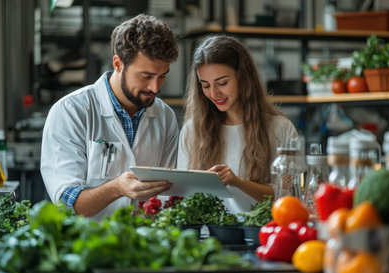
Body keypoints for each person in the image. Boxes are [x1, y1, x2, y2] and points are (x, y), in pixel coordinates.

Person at [41, 14, 179, 220]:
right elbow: (67, 204)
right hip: (88, 245)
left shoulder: (165, 116)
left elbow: (169, 194)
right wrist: (117, 188)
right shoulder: (71, 111)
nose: (155, 87)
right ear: (118, 64)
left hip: (147, 245)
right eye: (146, 76)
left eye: (162, 76)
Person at [177, 35, 299, 214]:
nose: (214, 93)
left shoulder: (280, 128)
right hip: (207, 236)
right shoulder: (192, 130)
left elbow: (288, 197)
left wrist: (237, 182)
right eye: (205, 85)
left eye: (222, 83)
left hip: (263, 234)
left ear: (243, 78)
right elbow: (184, 194)